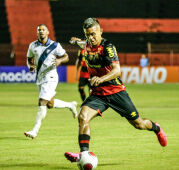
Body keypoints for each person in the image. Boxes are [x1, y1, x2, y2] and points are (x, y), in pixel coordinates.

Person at [64, 18, 167, 162]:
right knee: (82, 117)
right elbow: (82, 43)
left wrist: (101, 79)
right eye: (88, 35)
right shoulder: (86, 44)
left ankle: (156, 128)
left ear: (101, 31)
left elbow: (117, 70)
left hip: (116, 92)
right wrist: (76, 41)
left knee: (139, 124)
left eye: (93, 34)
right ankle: (84, 154)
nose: (91, 38)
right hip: (98, 94)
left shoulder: (108, 47)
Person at [24, 24, 78, 139]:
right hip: (40, 78)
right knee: (50, 104)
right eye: (39, 30)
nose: (41, 32)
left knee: (42, 102)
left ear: (48, 32)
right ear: (37, 32)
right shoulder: (33, 45)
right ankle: (70, 105)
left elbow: (66, 56)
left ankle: (35, 130)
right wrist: (30, 66)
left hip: (51, 77)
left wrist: (59, 60)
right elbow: (29, 59)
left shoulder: (55, 45)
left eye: (43, 30)